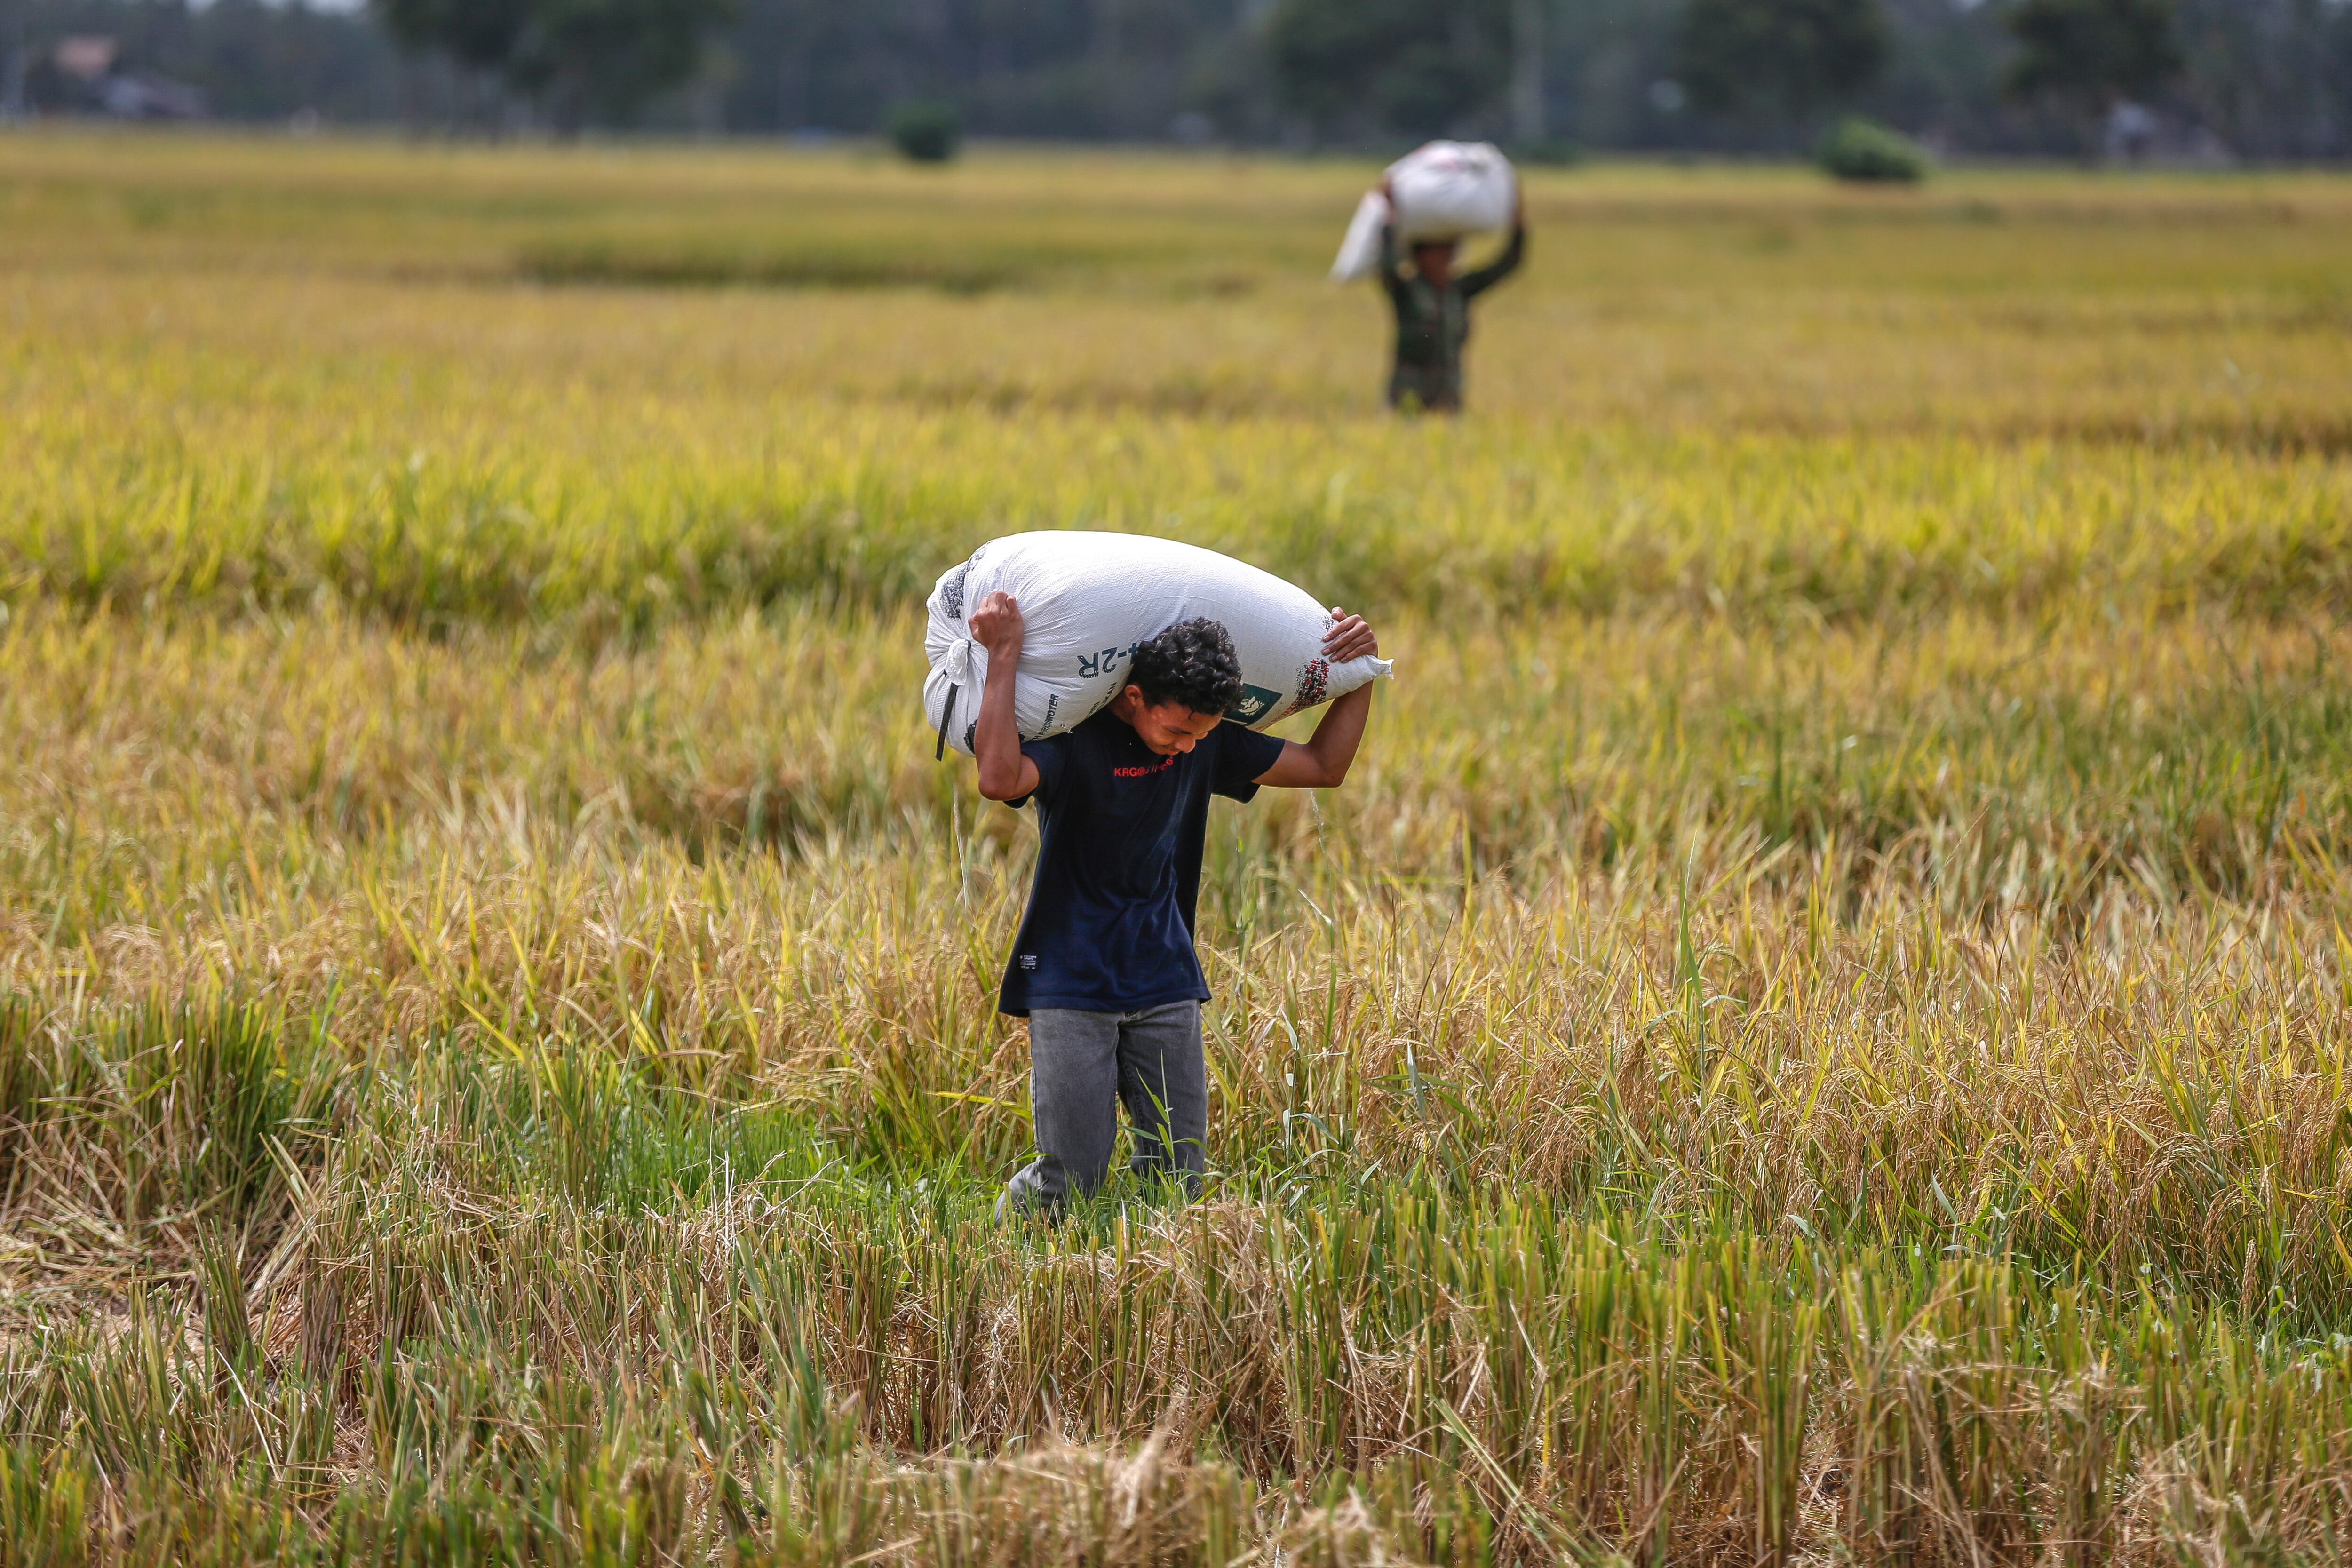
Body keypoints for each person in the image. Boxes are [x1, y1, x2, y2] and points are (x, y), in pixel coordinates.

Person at [965, 593, 1379, 1219]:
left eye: (1201, 735)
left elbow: (1324, 766)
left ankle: (1154, 1277)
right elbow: (998, 778)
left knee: (1179, 1176)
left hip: (1165, 977)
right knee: (1070, 1179)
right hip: (1070, 982)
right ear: (1136, 699)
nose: (1187, 746)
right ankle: (1002, 1263)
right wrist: (1003, 653)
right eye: (1177, 729)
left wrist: (1360, 675)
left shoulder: (1205, 743)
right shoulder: (1078, 738)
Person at [1377, 177, 1526, 414]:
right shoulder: (1406, 290)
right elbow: (1387, 263)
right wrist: (1390, 213)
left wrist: (1517, 217)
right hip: (1407, 397)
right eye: (1440, 252)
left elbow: (1507, 264)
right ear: (1420, 257)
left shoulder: (1460, 291)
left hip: (1449, 397)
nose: (1447, 258)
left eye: (1450, 251)